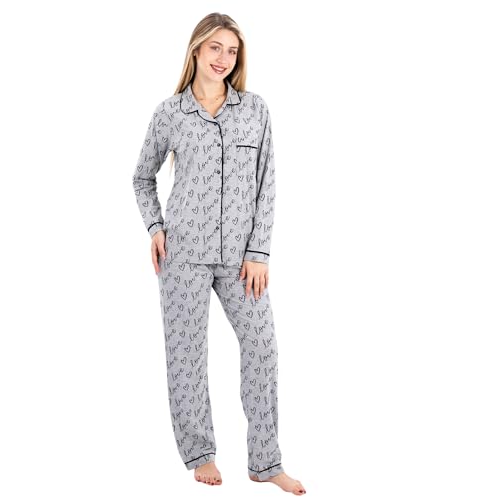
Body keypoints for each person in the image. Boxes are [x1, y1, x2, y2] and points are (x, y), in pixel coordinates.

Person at [132, 12, 306, 496]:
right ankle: (200, 453)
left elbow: (267, 184)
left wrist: (259, 252)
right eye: (215, 48)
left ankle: (265, 461)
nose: (223, 59)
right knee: (186, 355)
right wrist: (155, 227)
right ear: (196, 49)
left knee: (262, 347)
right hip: (183, 254)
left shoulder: (255, 110)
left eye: (232, 51)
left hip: (241, 260)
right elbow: (142, 177)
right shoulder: (170, 113)